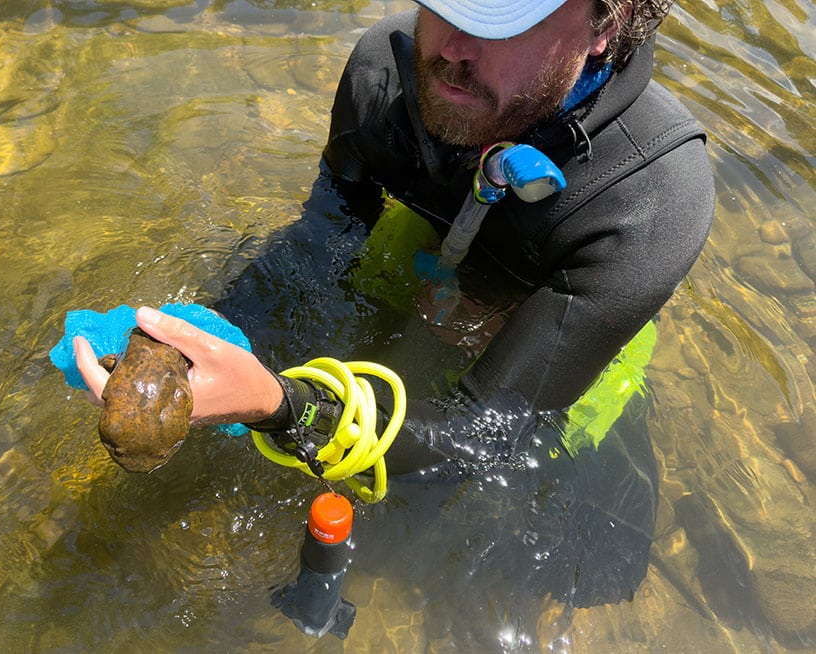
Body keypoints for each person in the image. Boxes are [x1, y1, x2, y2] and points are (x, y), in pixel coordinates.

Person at [71, 0, 714, 609]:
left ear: (608, 19)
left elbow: (479, 433)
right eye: (446, 5)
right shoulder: (384, 73)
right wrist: (191, 349)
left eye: (501, 20)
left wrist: (280, 407)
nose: (454, 49)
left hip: (563, 317)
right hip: (428, 250)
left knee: (592, 569)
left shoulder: (651, 198)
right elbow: (317, 248)